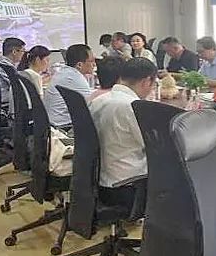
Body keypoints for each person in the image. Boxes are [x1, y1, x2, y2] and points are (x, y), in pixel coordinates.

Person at [90, 58, 156, 192]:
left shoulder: (98, 101)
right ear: (147, 81)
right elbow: (151, 145)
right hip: (127, 182)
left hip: (100, 176)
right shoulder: (133, 107)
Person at [44, 44, 95, 128]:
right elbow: (92, 106)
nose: (94, 64)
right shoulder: (75, 77)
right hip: (63, 125)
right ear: (79, 65)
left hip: (52, 121)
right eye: (92, 61)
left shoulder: (64, 72)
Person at [0, 37, 26, 106]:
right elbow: (18, 86)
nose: (23, 54)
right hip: (3, 106)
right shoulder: (4, 65)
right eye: (23, 51)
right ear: (14, 52)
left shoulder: (5, 64)